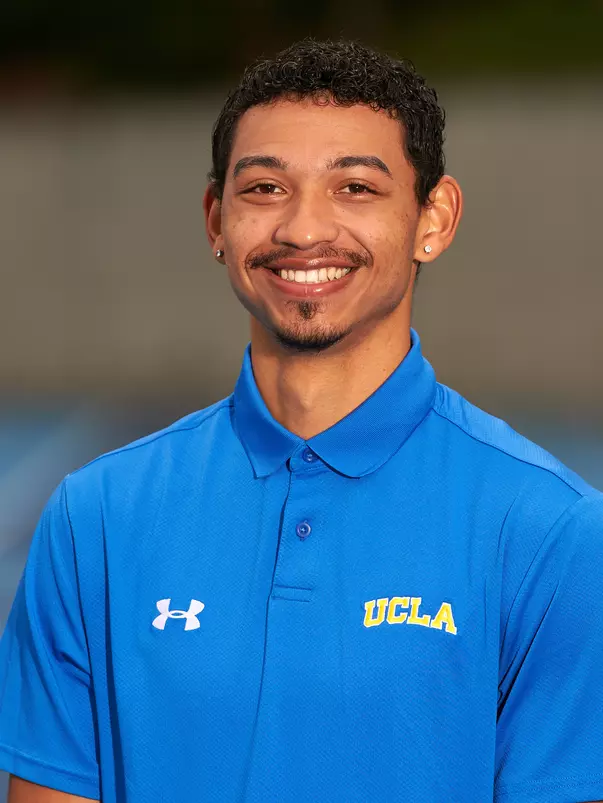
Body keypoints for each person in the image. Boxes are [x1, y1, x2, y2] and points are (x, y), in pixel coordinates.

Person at [1, 38, 602, 803]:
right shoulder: (96, 518)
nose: (302, 229)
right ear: (216, 220)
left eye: (354, 187)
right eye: (264, 189)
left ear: (433, 218)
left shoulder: (552, 533)